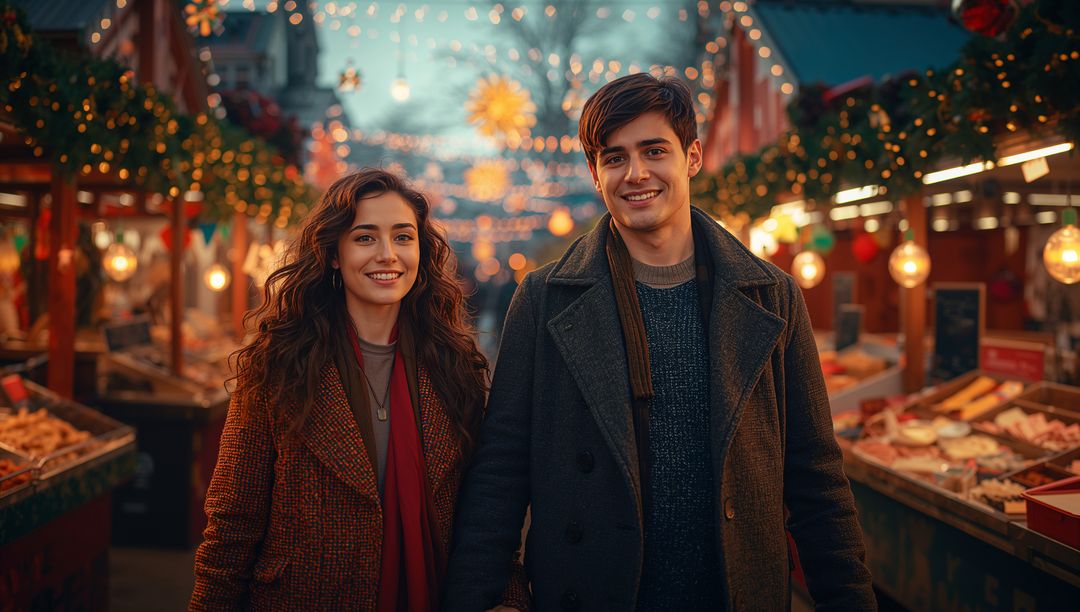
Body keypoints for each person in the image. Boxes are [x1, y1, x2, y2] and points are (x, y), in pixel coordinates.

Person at [442, 74, 876, 611]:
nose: (636, 173)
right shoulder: (545, 297)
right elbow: (502, 469)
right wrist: (479, 598)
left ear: (691, 156)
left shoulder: (771, 296)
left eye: (654, 151)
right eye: (615, 157)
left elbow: (816, 478)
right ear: (596, 174)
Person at [191, 169, 527, 611]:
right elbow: (233, 524)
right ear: (334, 253)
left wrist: (508, 599)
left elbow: (484, 509)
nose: (388, 255)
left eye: (403, 238)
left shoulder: (454, 368)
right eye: (365, 238)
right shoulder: (277, 368)